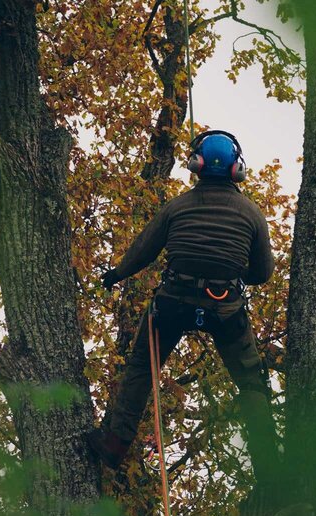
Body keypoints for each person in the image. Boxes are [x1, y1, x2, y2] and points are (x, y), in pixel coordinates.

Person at [86, 130, 283, 487]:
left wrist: (116, 274)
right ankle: (270, 467)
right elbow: (263, 274)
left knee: (141, 370)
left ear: (196, 165)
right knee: (252, 382)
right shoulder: (251, 214)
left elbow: (143, 251)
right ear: (238, 169)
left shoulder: (177, 207)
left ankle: (114, 444)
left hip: (173, 302)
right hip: (226, 310)